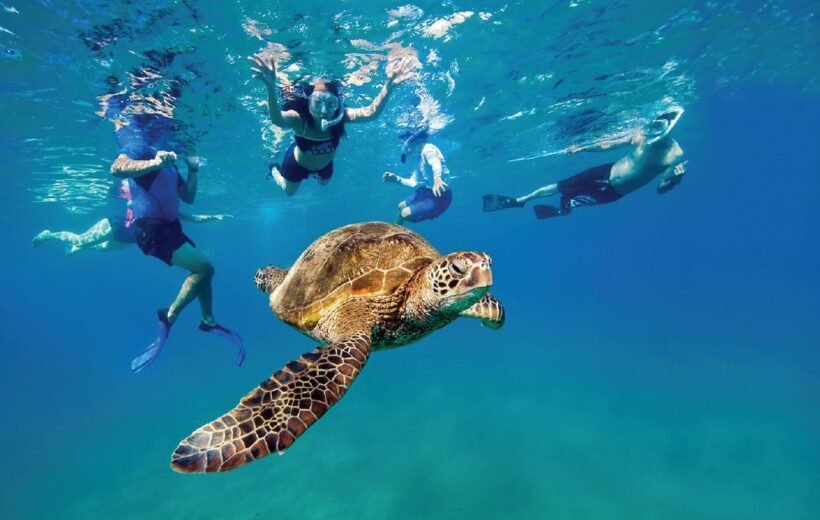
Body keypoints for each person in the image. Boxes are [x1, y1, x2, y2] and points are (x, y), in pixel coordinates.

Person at [110, 112, 245, 373]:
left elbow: (189, 197)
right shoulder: (141, 148)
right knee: (205, 268)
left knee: (204, 270)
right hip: (150, 230)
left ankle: (208, 319)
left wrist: (192, 169)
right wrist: (154, 163)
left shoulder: (169, 162)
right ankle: (169, 315)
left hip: (170, 228)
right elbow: (116, 168)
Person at [249, 51, 414, 195]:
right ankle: (273, 169)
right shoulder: (300, 121)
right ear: (308, 103)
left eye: (330, 104)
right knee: (289, 191)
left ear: (337, 104)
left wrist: (389, 86)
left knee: (324, 183)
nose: (323, 110)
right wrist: (270, 87)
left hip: (324, 165)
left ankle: (314, 174)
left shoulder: (340, 117)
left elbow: (371, 113)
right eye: (317, 103)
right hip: (296, 164)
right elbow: (277, 119)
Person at [483, 108, 687, 219]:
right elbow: (609, 145)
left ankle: (562, 212)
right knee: (560, 185)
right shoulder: (643, 135)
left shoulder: (674, 155)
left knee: (570, 201)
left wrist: (676, 179)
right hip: (606, 171)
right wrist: (583, 147)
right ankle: (520, 200)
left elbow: (661, 188)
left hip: (614, 192)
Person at [33, 180, 232, 255]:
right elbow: (132, 197)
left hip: (128, 239)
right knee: (80, 241)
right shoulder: (143, 200)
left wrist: (215, 217)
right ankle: (49, 234)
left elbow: (194, 218)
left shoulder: (169, 212)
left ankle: (79, 247)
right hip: (113, 227)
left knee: (100, 250)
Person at [383, 126, 452, 224]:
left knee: (405, 213)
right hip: (427, 191)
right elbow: (413, 182)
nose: (404, 146)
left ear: (412, 140)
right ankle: (394, 230)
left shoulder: (428, 149)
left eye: (404, 141)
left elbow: (435, 162)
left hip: (441, 196)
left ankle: (396, 236)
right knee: (401, 206)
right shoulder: (419, 157)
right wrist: (396, 179)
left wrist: (437, 179)